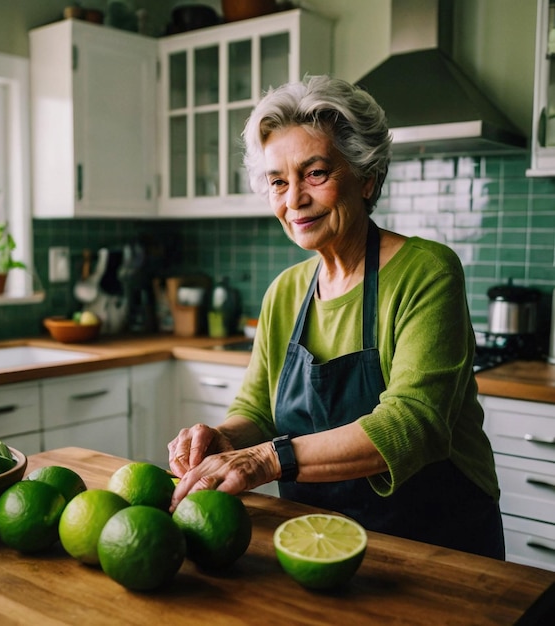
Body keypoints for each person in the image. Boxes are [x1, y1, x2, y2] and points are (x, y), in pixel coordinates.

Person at [168, 75, 505, 559]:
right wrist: (222, 439)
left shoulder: (427, 270)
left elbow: (412, 425)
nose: (294, 200)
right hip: (316, 541)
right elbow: (258, 411)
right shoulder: (284, 292)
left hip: (434, 539)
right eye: (278, 182)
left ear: (366, 176)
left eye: (315, 174)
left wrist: (267, 459)